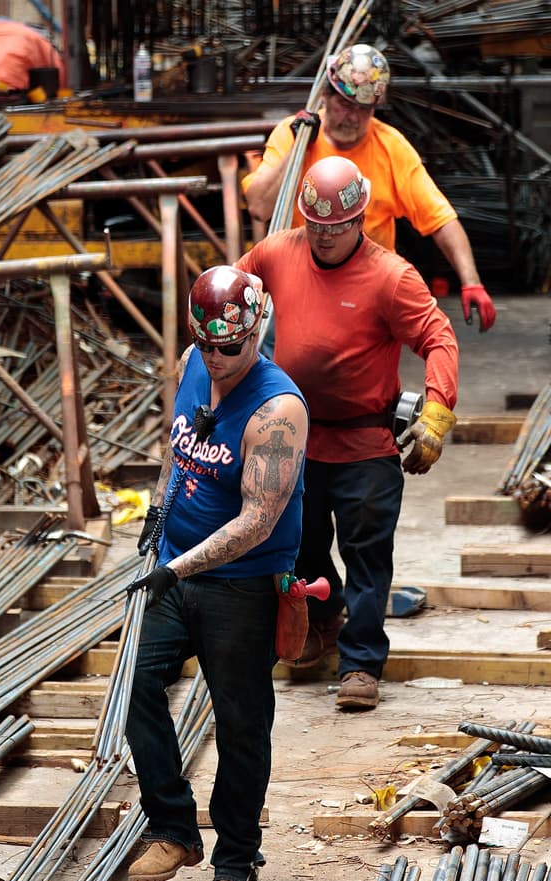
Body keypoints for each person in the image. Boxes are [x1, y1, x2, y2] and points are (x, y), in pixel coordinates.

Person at [235, 155, 459, 712]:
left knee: (367, 555)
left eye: (337, 226)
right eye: (316, 225)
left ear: (361, 219)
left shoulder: (392, 277)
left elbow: (439, 338)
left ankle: (361, 663)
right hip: (298, 442)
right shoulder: (278, 254)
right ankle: (325, 618)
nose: (326, 236)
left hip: (366, 445)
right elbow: (232, 290)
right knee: (301, 546)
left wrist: (436, 413)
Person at [120, 266, 308, 881]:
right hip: (175, 566)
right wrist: (156, 522)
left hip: (243, 582)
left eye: (231, 348)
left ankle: (235, 854)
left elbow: (257, 520)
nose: (218, 358)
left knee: (240, 720)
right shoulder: (195, 362)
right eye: (207, 345)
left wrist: (175, 568)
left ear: (257, 333)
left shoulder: (277, 410)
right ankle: (174, 828)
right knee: (137, 686)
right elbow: (178, 454)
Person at [241, 43, 496, 332]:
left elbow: (440, 219)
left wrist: (471, 281)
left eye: (364, 110)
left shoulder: (391, 147)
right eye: (345, 105)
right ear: (325, 94)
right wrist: (297, 152)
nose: (352, 117)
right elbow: (259, 207)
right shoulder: (295, 135)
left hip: (365, 291)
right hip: (299, 286)